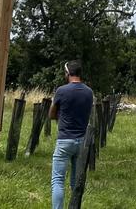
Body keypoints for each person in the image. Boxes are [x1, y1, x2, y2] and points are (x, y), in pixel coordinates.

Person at [49, 60, 94, 209]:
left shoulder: (61, 90)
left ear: (67, 73)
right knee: (76, 182)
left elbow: (52, 114)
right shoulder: (89, 92)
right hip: (82, 141)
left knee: (57, 180)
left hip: (64, 140)